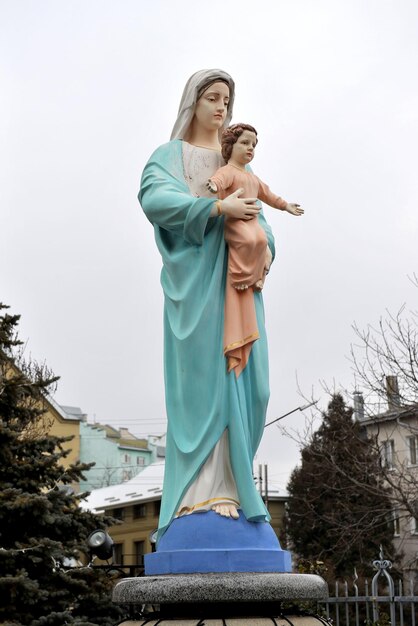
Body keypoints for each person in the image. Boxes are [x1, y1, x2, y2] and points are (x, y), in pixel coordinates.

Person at [139, 70, 276, 542]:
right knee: (205, 388)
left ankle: (234, 485)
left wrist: (266, 251)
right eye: (213, 97)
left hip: (239, 288)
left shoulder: (238, 163)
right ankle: (203, 492)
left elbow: (260, 217)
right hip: (197, 290)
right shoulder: (168, 157)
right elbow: (155, 198)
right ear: (192, 103)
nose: (222, 107)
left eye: (227, 99)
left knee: (254, 391)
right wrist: (215, 210)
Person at [208, 123, 303, 292]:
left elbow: (268, 195)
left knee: (261, 241)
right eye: (245, 143)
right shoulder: (229, 171)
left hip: (253, 222)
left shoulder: (253, 178)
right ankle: (239, 276)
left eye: (253, 145)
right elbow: (219, 180)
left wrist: (285, 206)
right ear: (230, 145)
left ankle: (259, 277)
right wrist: (214, 185)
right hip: (235, 222)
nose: (250, 148)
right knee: (247, 241)